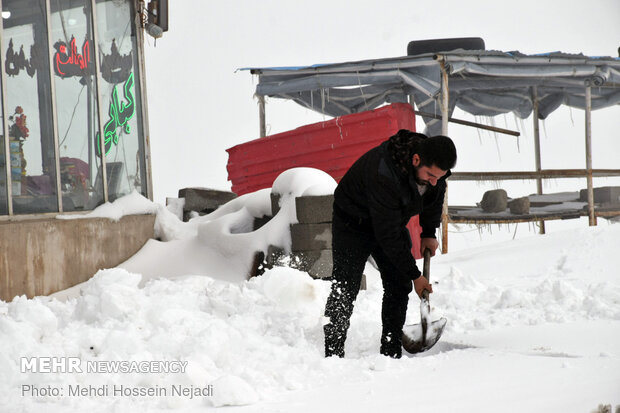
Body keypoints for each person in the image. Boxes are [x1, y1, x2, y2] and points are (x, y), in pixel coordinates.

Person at [323, 129, 457, 359]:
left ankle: (391, 349)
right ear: (416, 160)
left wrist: (428, 232)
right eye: (430, 176)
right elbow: (388, 235)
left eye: (440, 177)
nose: (434, 182)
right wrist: (416, 276)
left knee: (398, 283)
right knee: (345, 287)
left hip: (389, 220)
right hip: (352, 223)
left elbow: (434, 199)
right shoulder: (384, 172)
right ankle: (333, 353)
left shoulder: (433, 172)